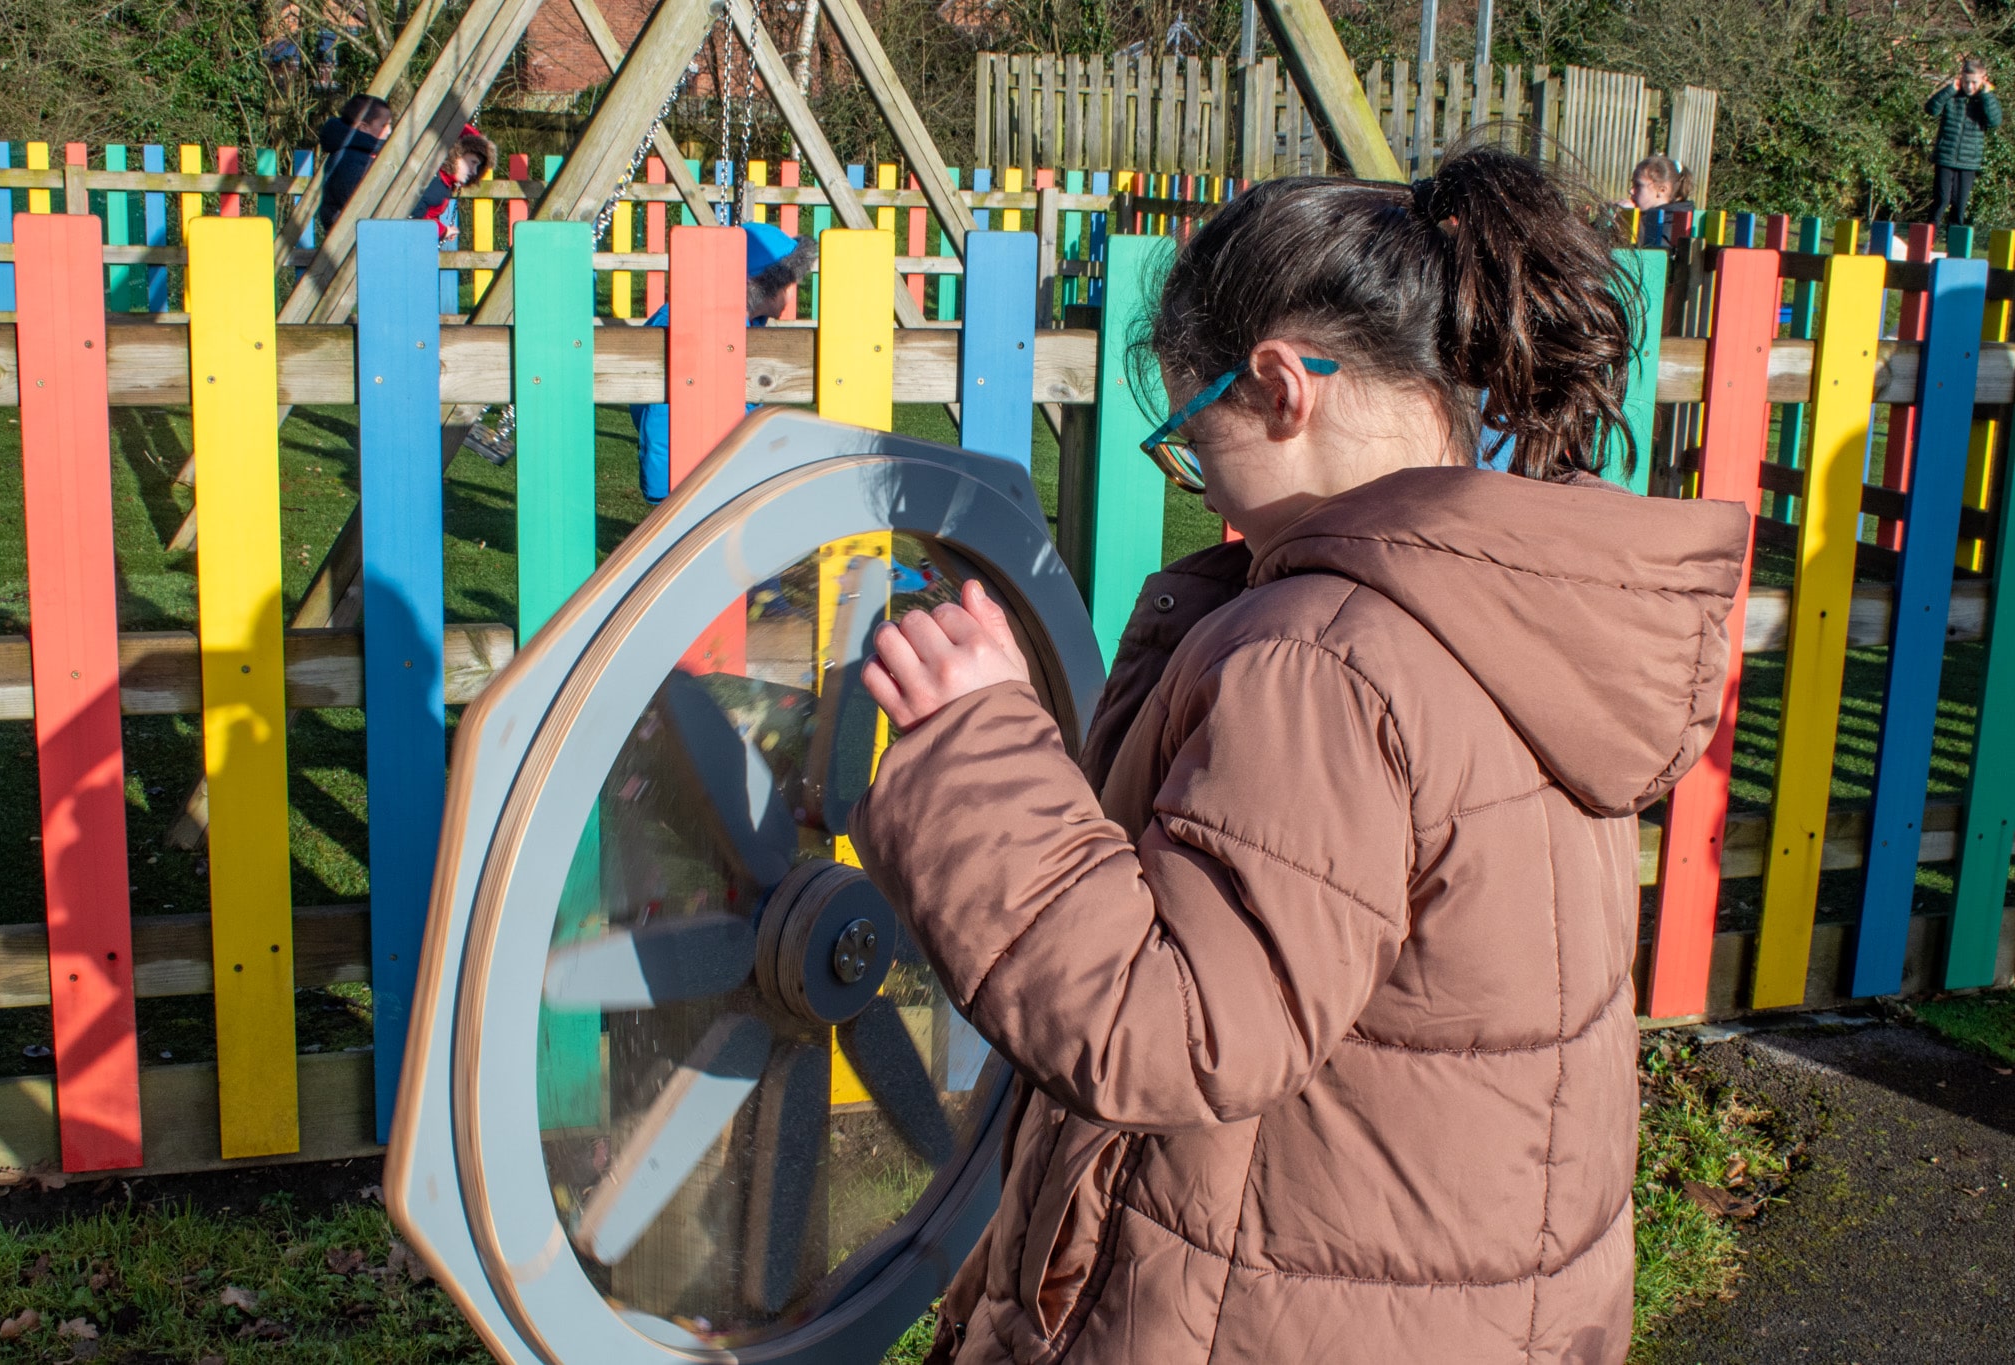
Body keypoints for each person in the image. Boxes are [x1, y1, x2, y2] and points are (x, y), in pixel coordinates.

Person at [846, 146, 1750, 1364]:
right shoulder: (1516, 612)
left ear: (1279, 389)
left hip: (1269, 1312)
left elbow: (1165, 1030)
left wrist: (976, 760)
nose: (1195, 477)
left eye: (1187, 433)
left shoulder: (1324, 659)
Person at [631, 221, 818, 503]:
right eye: (792, 280)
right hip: (688, 479)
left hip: (723, 471)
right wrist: (665, 486)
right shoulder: (690, 325)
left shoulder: (746, 325)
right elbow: (660, 414)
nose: (797, 288)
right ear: (770, 283)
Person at [1927, 58, 2002, 232]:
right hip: (1945, 157)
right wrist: (1949, 89)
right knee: (1941, 200)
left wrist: (1986, 94)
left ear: (1984, 79)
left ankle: (1954, 247)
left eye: (1974, 82)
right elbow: (1931, 109)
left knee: (1959, 205)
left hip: (1969, 161)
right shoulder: (1952, 95)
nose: (1969, 87)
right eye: (1966, 82)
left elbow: (1994, 121)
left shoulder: (1985, 99)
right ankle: (1927, 242)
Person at [316, 94, 392, 232]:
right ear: (364, 127)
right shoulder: (352, 159)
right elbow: (357, 202)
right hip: (351, 235)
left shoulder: (355, 153)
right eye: (384, 125)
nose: (389, 130)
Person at [412, 127, 496, 246]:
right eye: (473, 162)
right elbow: (414, 220)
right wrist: (442, 231)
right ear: (456, 155)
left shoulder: (444, 183)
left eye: (478, 166)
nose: (474, 172)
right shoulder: (435, 185)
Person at [1624, 153, 1696, 215]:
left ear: (1662, 190)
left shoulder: (1670, 223)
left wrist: (1625, 218)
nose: (1631, 190)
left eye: (1638, 185)